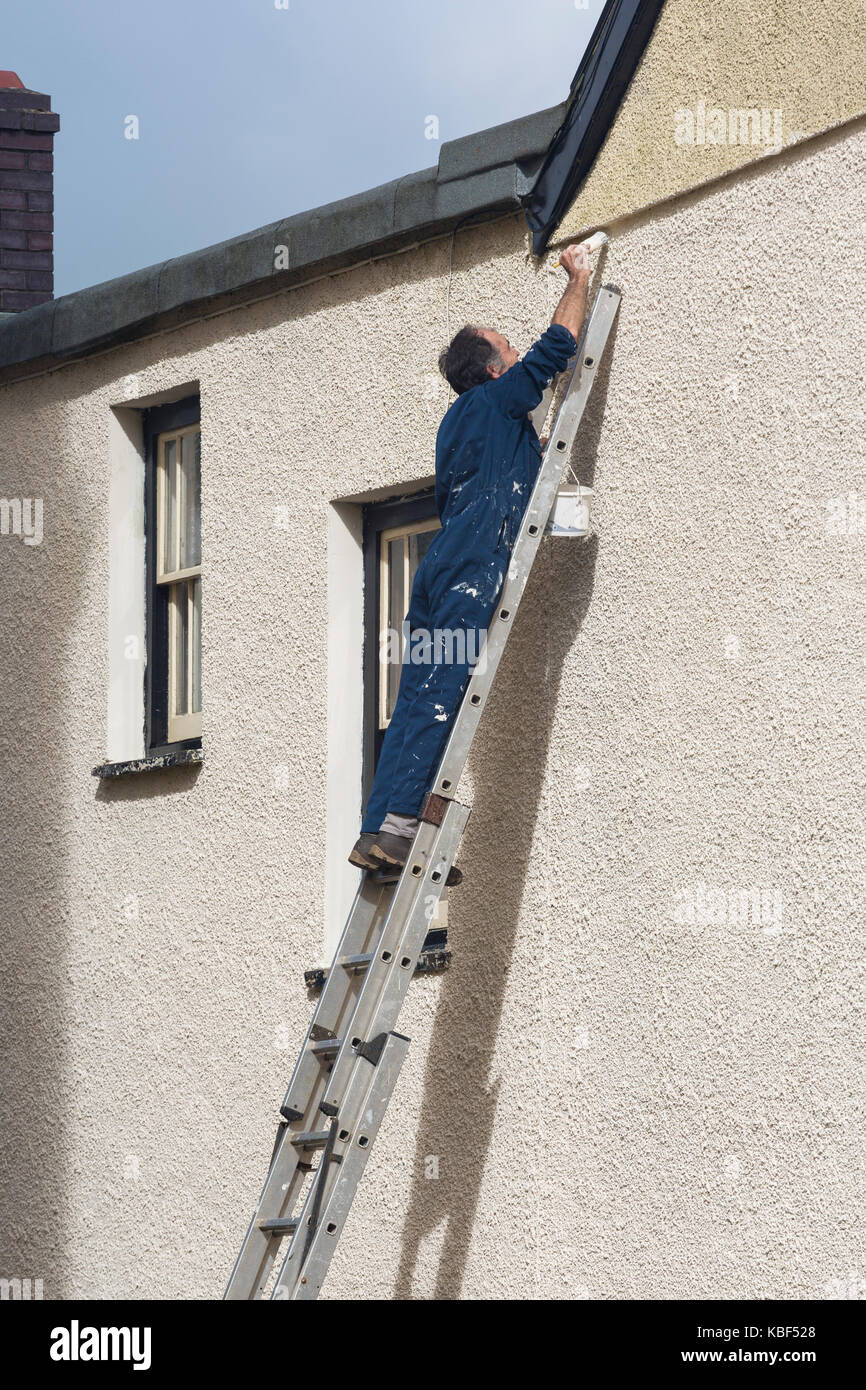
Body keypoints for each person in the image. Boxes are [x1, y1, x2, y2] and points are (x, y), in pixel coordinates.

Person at [349, 241, 593, 883]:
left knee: (416, 696)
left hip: (439, 568)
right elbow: (559, 346)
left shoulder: (459, 422)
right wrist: (578, 276)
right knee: (444, 688)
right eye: (506, 352)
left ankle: (380, 830)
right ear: (491, 372)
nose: (516, 358)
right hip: (468, 570)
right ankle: (404, 831)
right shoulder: (494, 402)